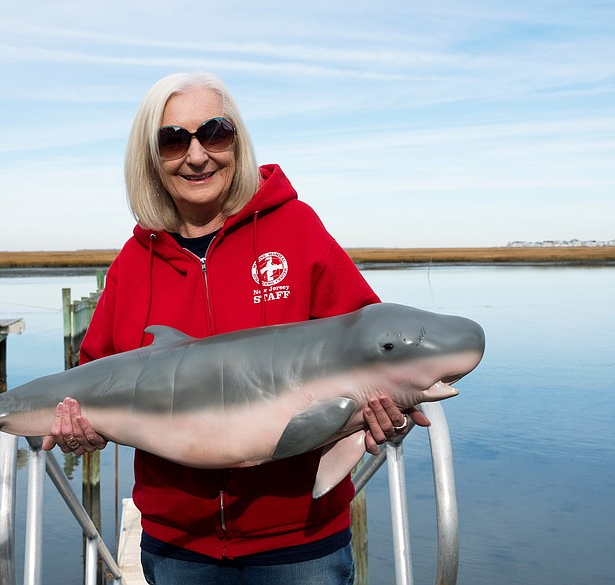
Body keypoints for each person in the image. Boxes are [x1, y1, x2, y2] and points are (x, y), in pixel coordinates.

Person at [42, 71, 429, 585]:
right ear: (151, 159)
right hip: (178, 545)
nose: (197, 155)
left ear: (237, 141)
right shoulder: (135, 262)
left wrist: (393, 413)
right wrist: (79, 432)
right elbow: (93, 374)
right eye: (173, 139)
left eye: (215, 132)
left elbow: (377, 349)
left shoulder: (296, 230)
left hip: (301, 542)